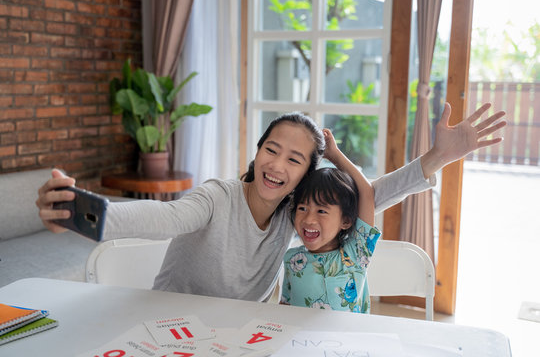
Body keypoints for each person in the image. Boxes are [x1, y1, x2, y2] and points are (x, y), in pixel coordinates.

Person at [36, 102, 506, 302]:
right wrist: (83, 215)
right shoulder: (217, 197)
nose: (277, 165)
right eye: (271, 150)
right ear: (257, 151)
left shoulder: (295, 213)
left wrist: (436, 157)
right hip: (170, 327)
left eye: (295, 159)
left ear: (305, 176)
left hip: (241, 337)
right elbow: (163, 216)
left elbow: (371, 194)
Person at [280, 129, 379, 313]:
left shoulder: (357, 253)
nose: (309, 219)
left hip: (348, 340)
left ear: (346, 221)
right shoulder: (291, 260)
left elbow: (367, 192)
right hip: (302, 341)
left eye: (322, 211)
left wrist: (335, 156)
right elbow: (285, 307)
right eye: (303, 208)